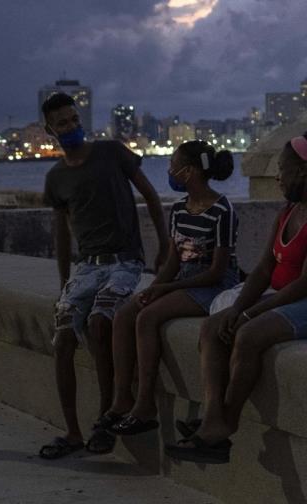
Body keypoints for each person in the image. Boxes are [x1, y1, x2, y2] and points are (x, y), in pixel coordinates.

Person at [38, 92, 169, 459]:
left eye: (74, 119)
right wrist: (65, 283)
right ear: (50, 130)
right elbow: (62, 234)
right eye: (62, 123)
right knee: (62, 337)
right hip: (87, 266)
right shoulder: (57, 178)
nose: (71, 127)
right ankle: (73, 431)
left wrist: (163, 246)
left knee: (101, 321)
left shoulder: (111, 152)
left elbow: (151, 197)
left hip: (124, 261)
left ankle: (104, 421)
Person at [165, 132, 307, 464]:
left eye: (283, 170)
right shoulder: (287, 212)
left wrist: (250, 314)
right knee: (214, 327)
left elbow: (303, 284)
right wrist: (240, 307)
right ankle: (214, 417)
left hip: (301, 299)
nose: (277, 177)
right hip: (279, 296)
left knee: (249, 334)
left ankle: (224, 424)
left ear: (302, 172)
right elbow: (261, 270)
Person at [105, 141, 239, 437]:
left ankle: (144, 406)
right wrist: (154, 288)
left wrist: (169, 287)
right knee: (127, 313)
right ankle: (121, 396)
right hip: (183, 278)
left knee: (148, 318)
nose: (169, 171)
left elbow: (217, 271)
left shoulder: (222, 210)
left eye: (173, 166)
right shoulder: (179, 209)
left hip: (211, 284)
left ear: (188, 172)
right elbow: (172, 261)